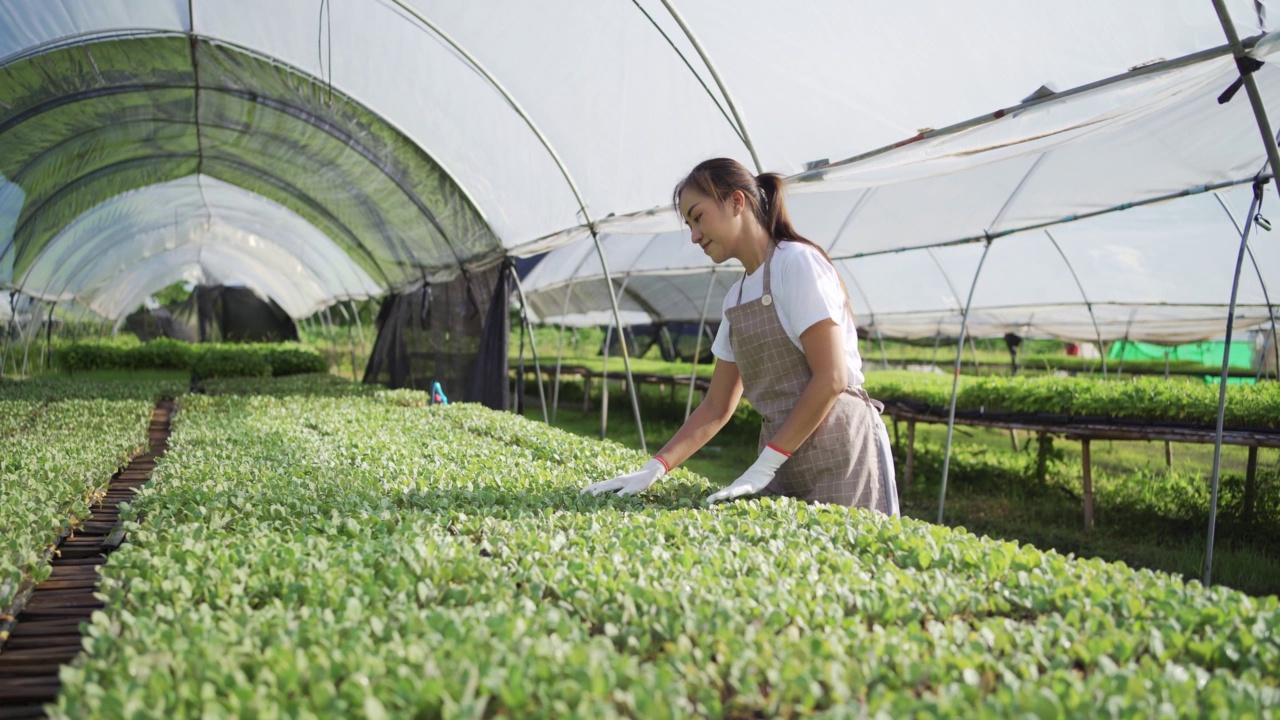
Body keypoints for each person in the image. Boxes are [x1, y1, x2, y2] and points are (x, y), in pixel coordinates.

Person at [582, 158, 898, 513]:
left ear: (736, 202)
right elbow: (717, 405)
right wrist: (655, 467)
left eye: (697, 217)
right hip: (784, 456)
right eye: (689, 225)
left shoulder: (796, 264)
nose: (694, 236)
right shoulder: (736, 297)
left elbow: (832, 378)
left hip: (841, 451)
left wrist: (766, 463)